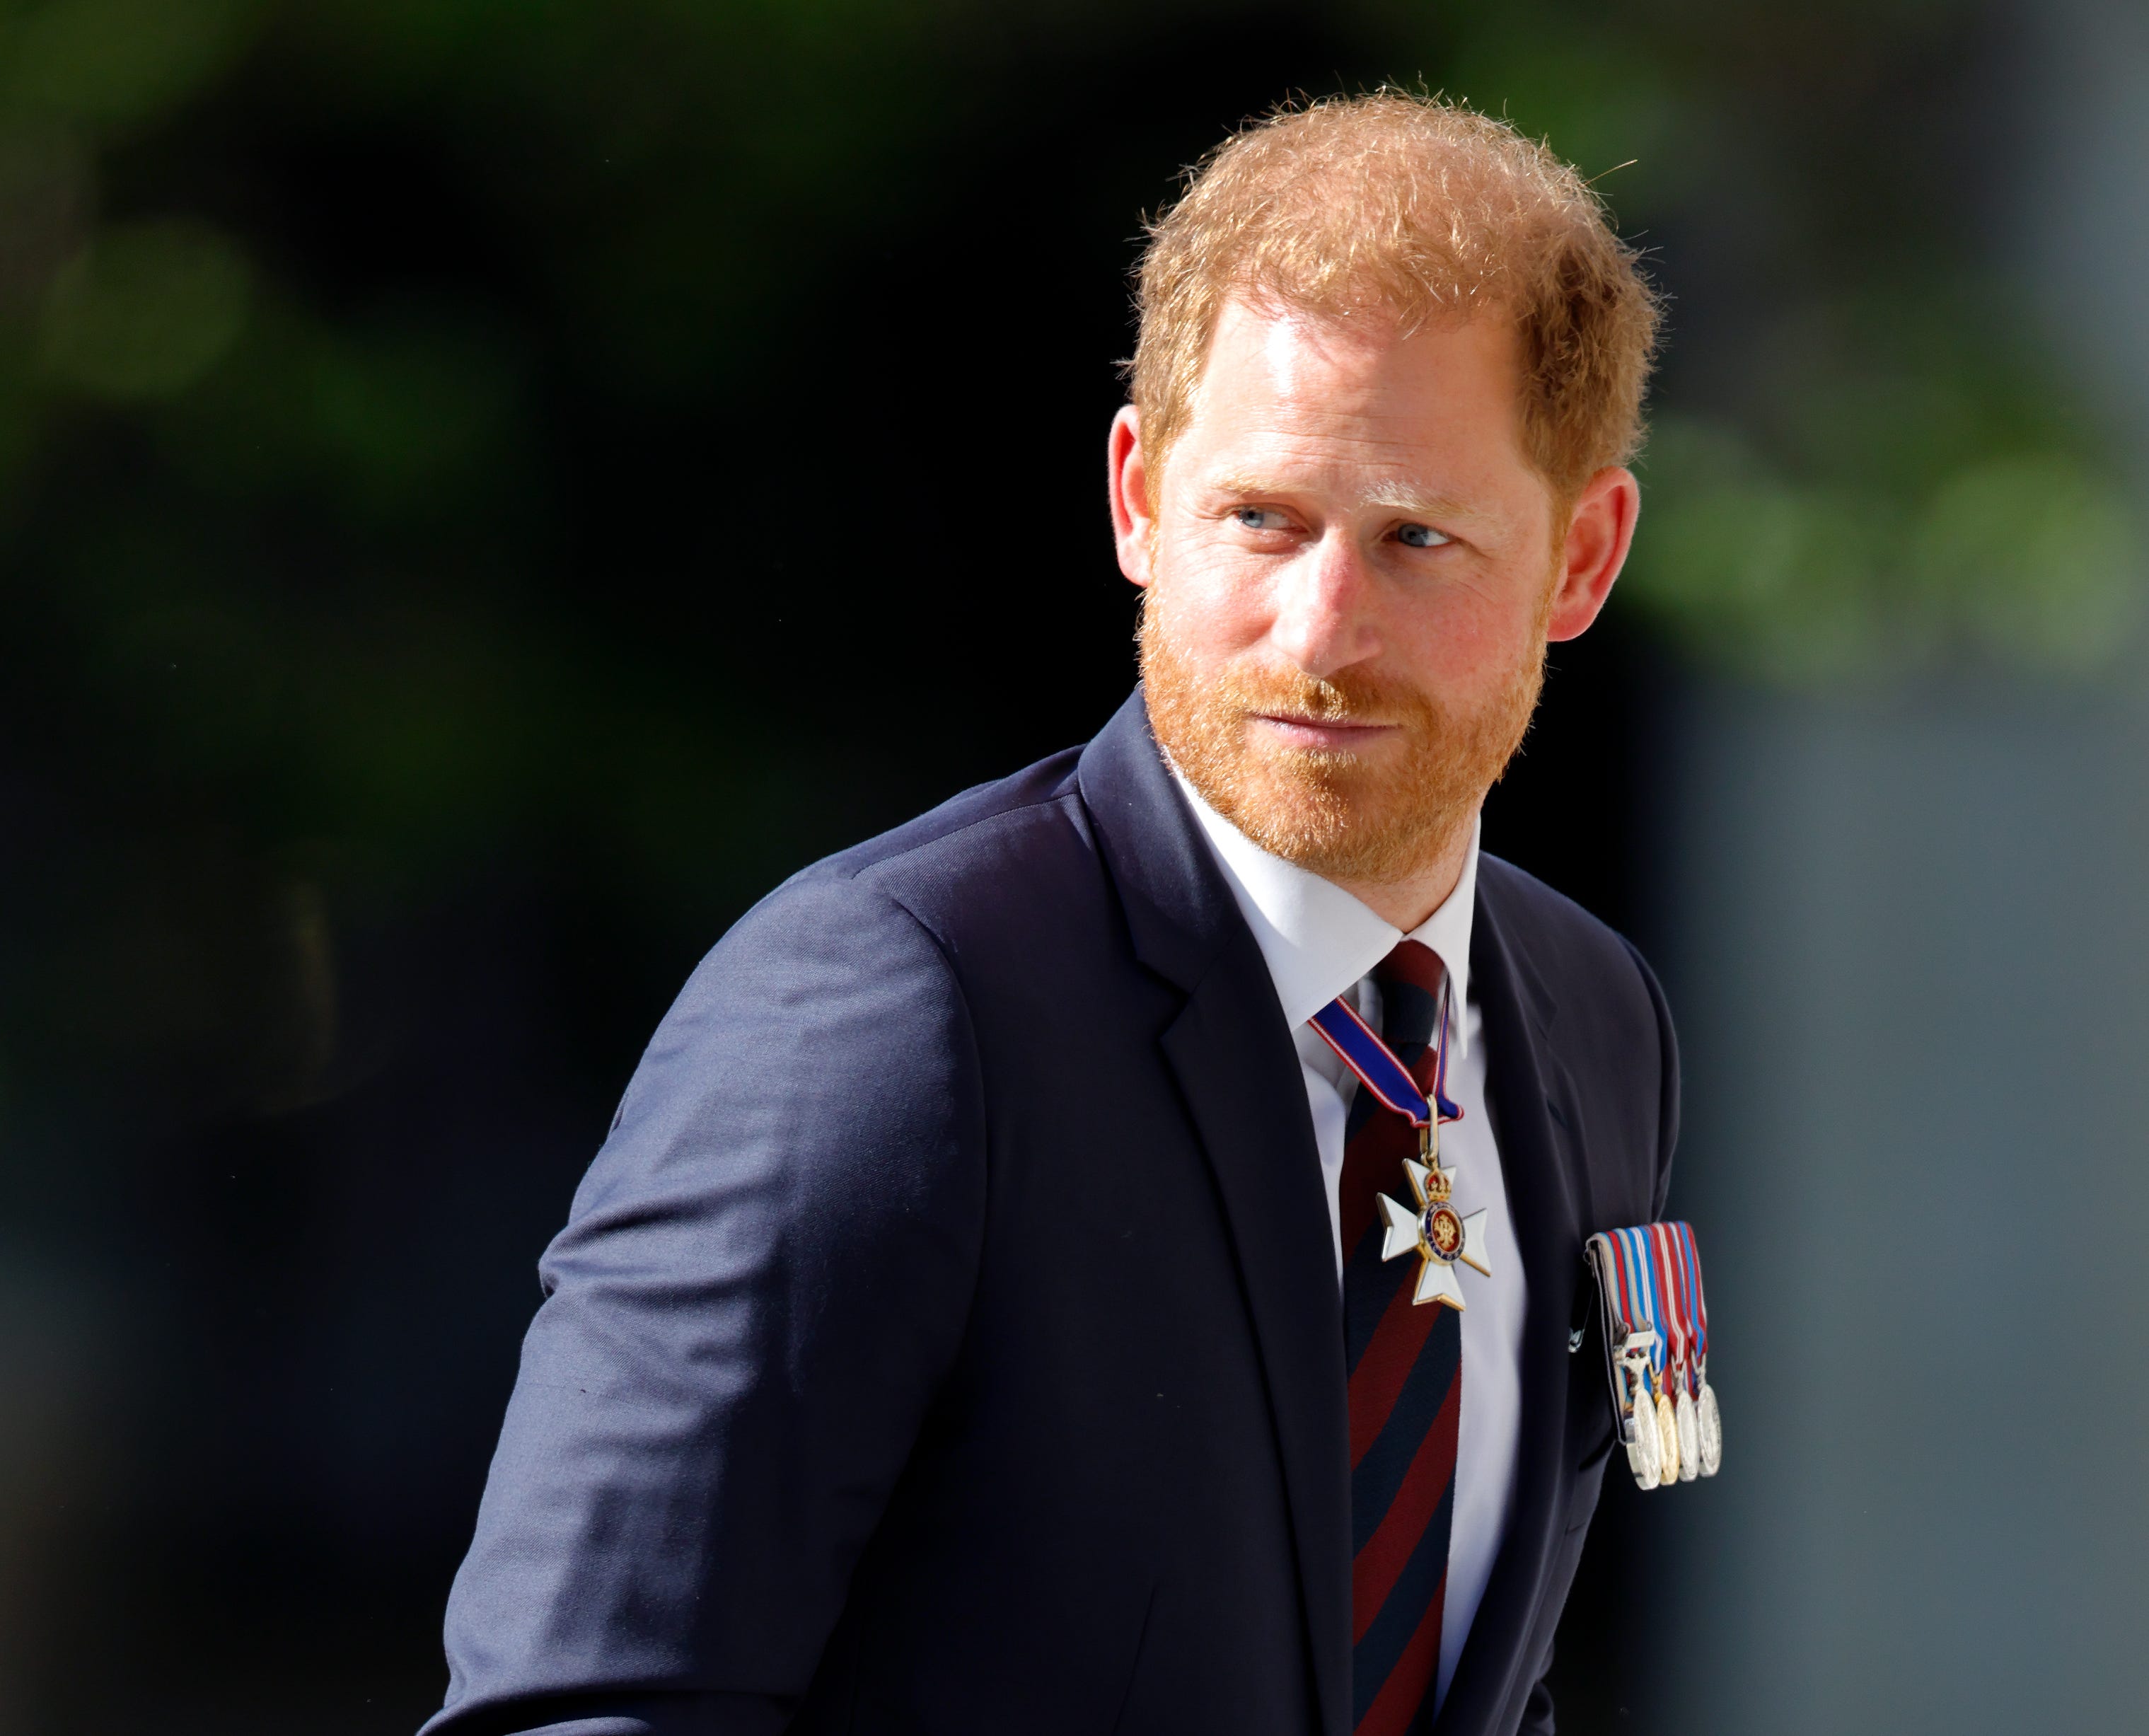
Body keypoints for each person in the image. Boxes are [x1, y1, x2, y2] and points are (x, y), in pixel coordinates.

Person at [425, 92, 1673, 1736]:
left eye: (1416, 539)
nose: (1320, 630)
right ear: (1138, 498)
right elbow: (583, 1707)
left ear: (1580, 558)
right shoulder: (892, 1007)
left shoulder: (1592, 1017)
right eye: (1261, 519)